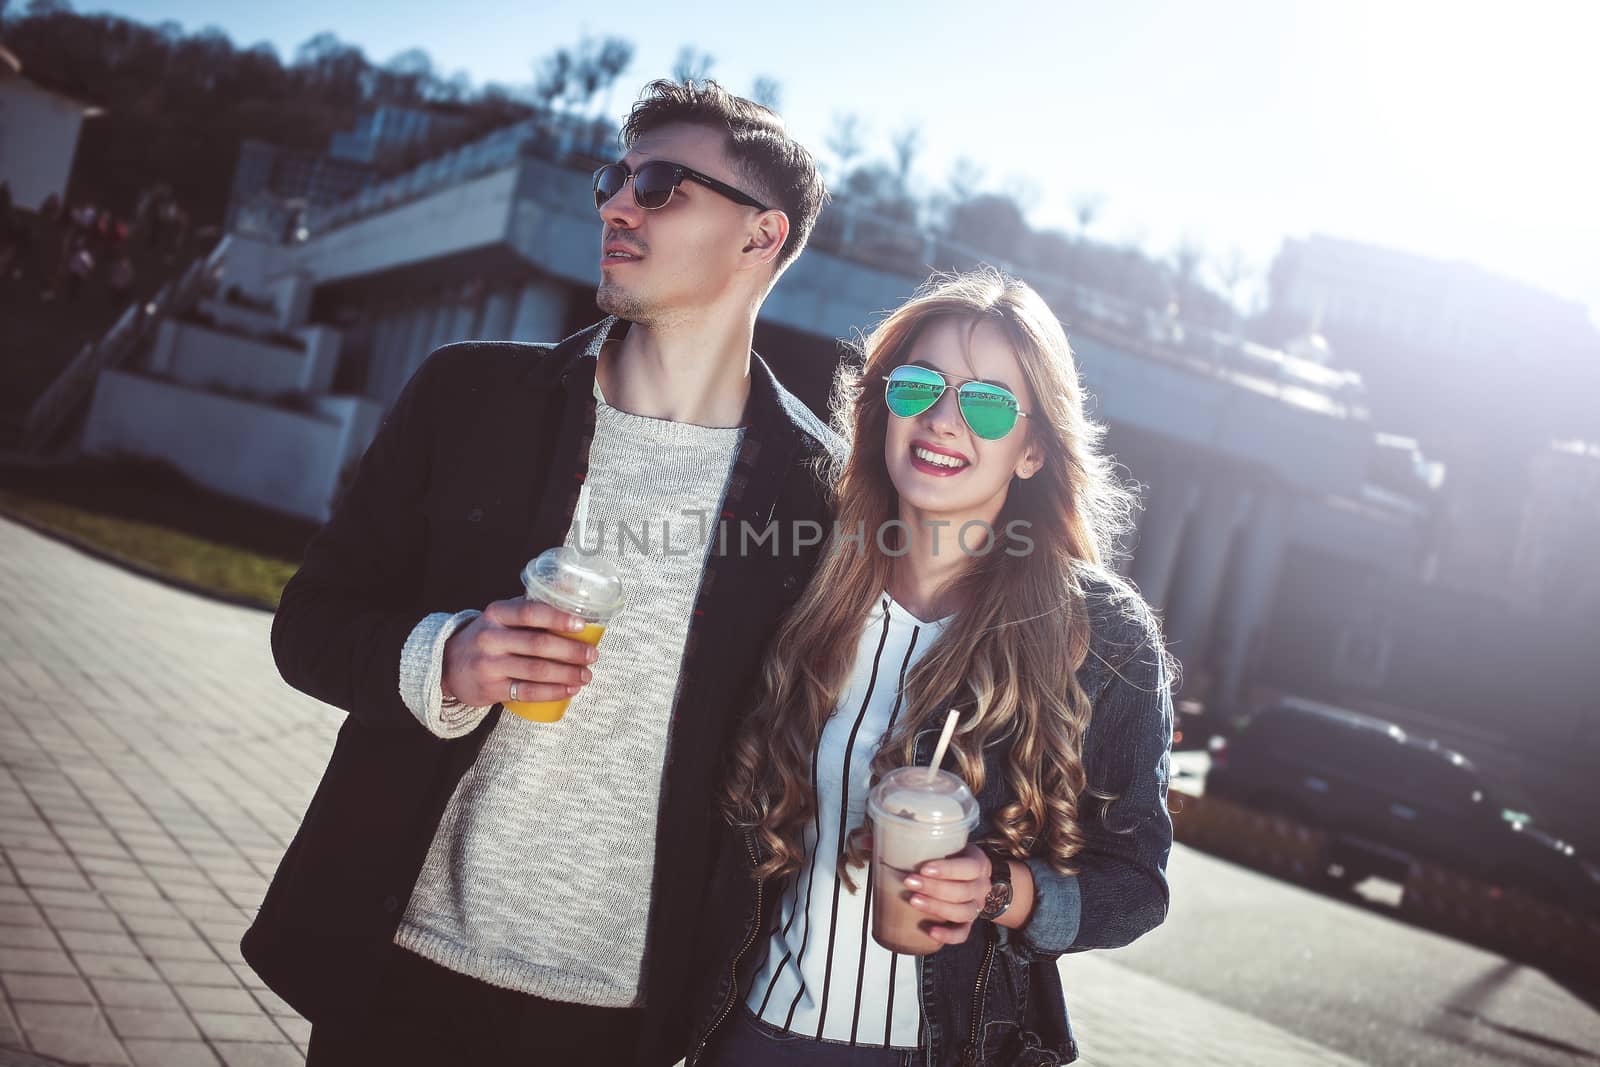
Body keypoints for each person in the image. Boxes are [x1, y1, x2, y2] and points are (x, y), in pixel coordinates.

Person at [242, 78, 834, 1066]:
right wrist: (448, 659)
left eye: (659, 185)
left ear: (760, 235)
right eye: (615, 176)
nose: (614, 202)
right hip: (398, 956)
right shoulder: (469, 395)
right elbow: (310, 621)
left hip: (614, 1010)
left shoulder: (818, 497)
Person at [689, 269, 1176, 1066]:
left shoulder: (1099, 634)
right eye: (919, 387)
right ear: (886, 404)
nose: (944, 420)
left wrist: (1000, 888)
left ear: (1032, 451)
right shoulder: (804, 583)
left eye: (986, 403)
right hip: (750, 1034)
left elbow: (1137, 885)